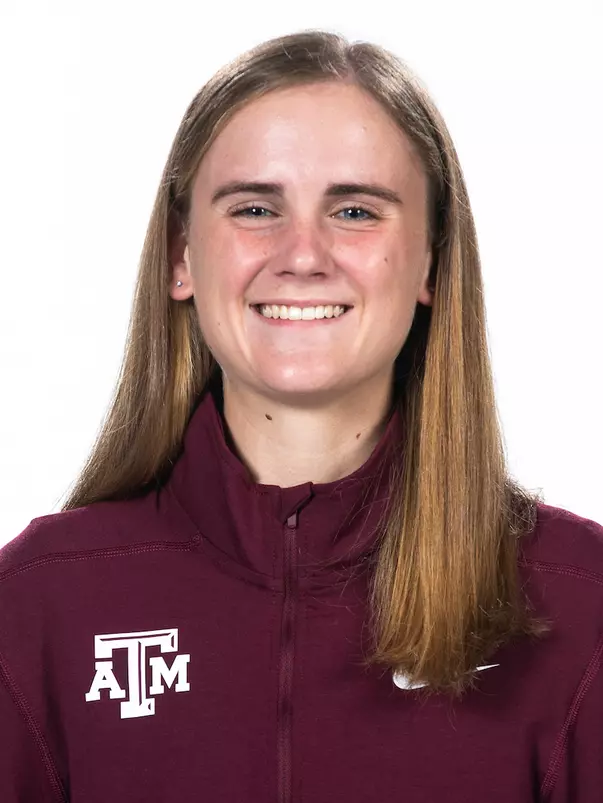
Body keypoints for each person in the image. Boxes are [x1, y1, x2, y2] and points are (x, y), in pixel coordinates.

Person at [0, 29, 601, 803]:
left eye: (354, 210)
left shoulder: (578, 604)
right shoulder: (39, 605)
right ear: (181, 254)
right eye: (255, 207)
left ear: (429, 259)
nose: (303, 254)